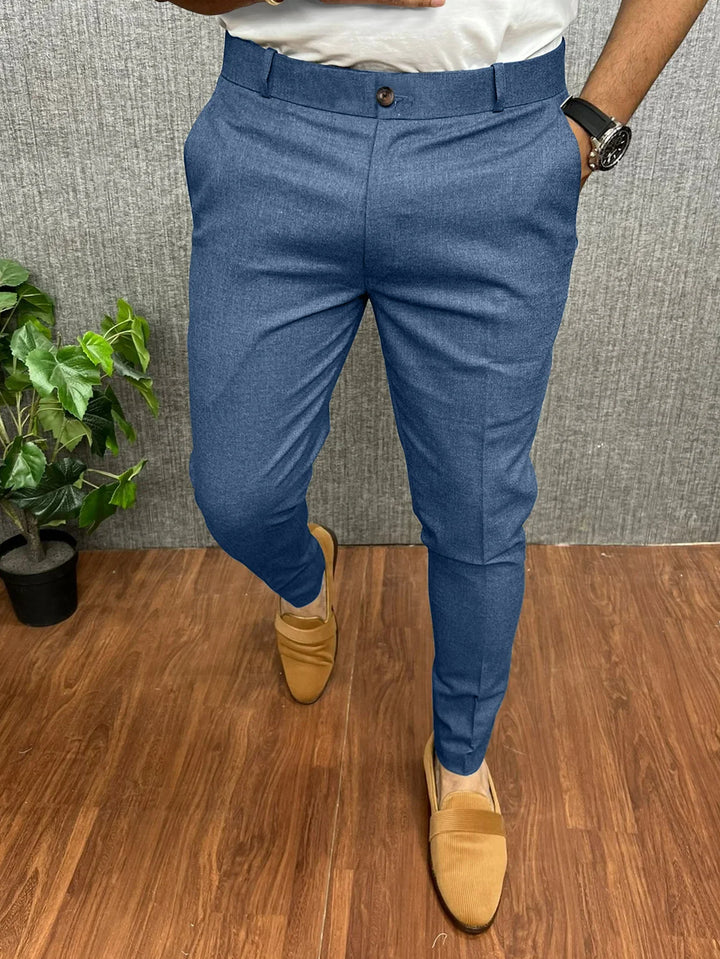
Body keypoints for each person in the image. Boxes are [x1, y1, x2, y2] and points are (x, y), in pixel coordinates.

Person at [157, 0, 709, 934]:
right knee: (237, 492)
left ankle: (460, 762)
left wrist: (590, 125)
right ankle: (305, 576)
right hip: (273, 140)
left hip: (494, 151)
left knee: (478, 508)